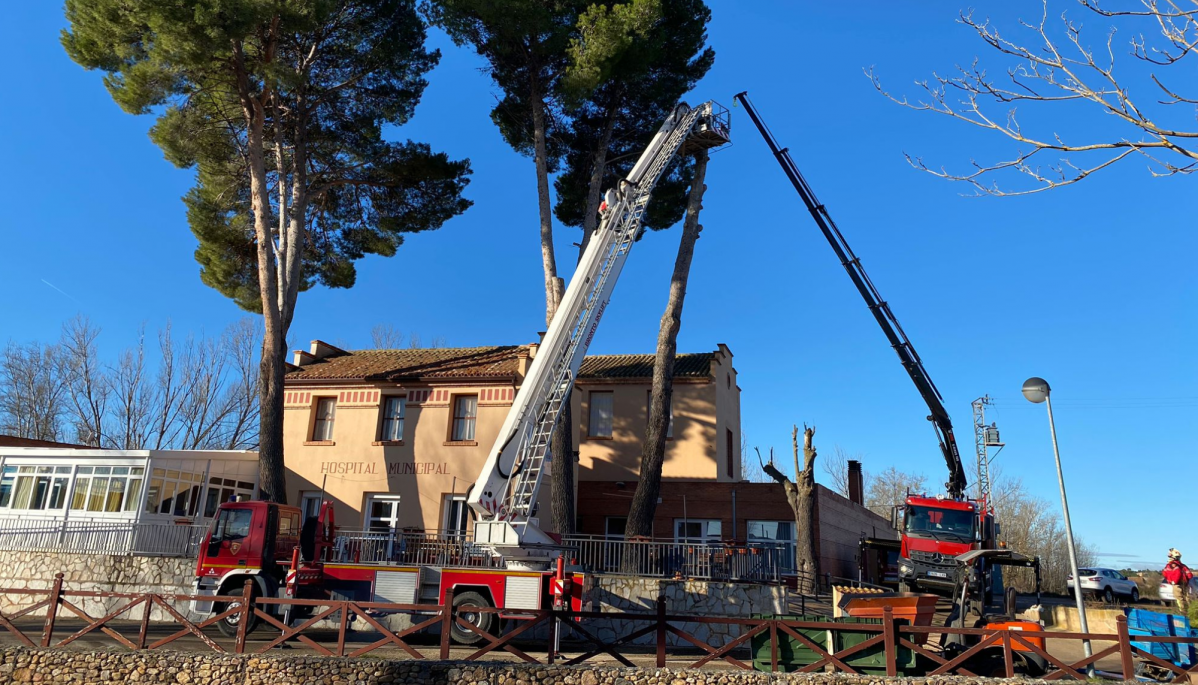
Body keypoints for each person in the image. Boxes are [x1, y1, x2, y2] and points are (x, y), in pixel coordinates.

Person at [1163, 548, 1193, 614]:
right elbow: (1190, 575)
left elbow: (1165, 573)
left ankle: (1183, 612)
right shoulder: (1183, 565)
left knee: (1179, 599)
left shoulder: (1171, 565)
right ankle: (1190, 611)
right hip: (1185, 584)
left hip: (1176, 584)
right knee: (1186, 598)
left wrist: (1172, 581)